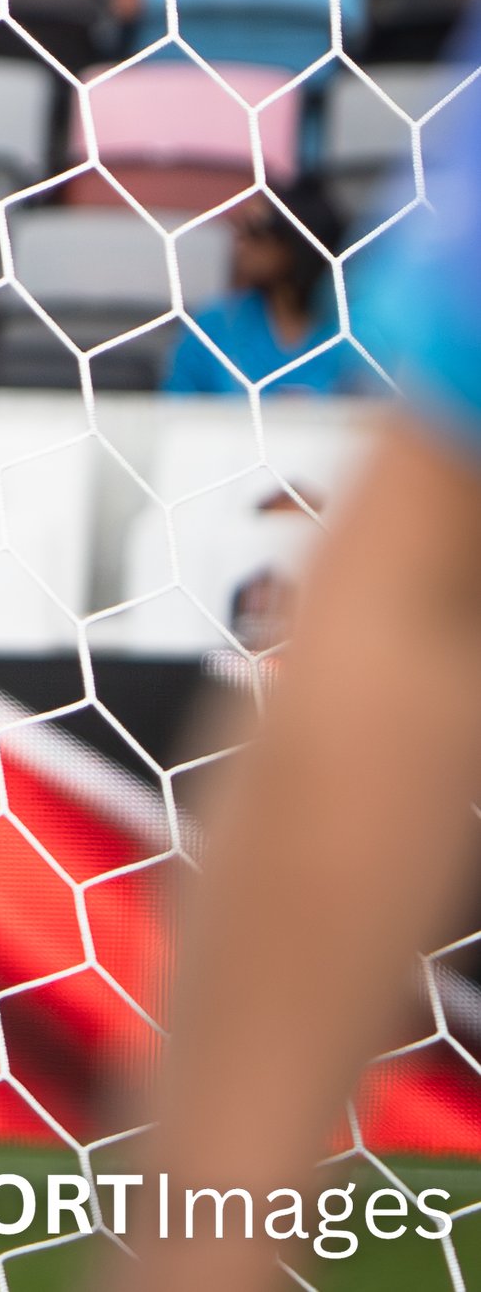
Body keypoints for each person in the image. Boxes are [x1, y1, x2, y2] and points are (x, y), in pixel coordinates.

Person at [116, 72, 481, 1290]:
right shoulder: (207, 342)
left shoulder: (354, 346)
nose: (232, 237)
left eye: (255, 222)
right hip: (240, 595)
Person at [163, 185, 369, 398]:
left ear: (298, 239)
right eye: (238, 229)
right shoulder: (213, 326)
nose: (240, 243)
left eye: (255, 230)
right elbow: (175, 409)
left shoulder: (357, 334)